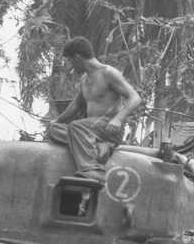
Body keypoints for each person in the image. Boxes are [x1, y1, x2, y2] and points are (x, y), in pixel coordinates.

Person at [46, 38, 141, 179]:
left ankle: (92, 170)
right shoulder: (84, 79)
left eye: (71, 61)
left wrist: (118, 119)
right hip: (88, 130)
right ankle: (98, 146)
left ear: (78, 58)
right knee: (54, 130)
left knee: (76, 127)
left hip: (109, 129)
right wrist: (56, 122)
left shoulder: (108, 73)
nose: (71, 66)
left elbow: (135, 97)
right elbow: (76, 105)